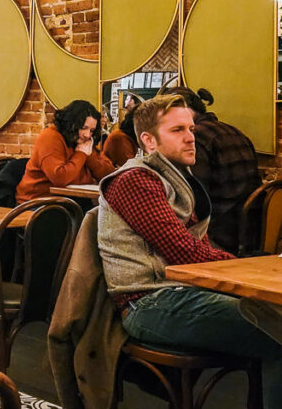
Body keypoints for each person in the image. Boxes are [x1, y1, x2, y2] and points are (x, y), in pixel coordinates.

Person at [96, 94, 282, 405]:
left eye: (191, 129)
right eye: (177, 130)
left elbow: (197, 247)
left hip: (182, 292)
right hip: (149, 302)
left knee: (275, 319)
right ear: (149, 141)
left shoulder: (177, 176)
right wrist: (248, 271)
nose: (190, 138)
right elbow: (183, 251)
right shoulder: (135, 180)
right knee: (278, 329)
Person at [172, 86, 261, 254]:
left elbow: (195, 197)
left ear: (184, 110)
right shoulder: (235, 131)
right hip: (252, 230)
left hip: (219, 234)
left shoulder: (195, 138)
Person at [17, 99, 115, 203]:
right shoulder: (50, 137)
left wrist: (89, 155)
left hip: (72, 200)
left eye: (91, 130)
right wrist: (81, 154)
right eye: (83, 128)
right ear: (70, 123)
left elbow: (109, 175)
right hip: (39, 203)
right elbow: (60, 178)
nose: (87, 134)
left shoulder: (84, 142)